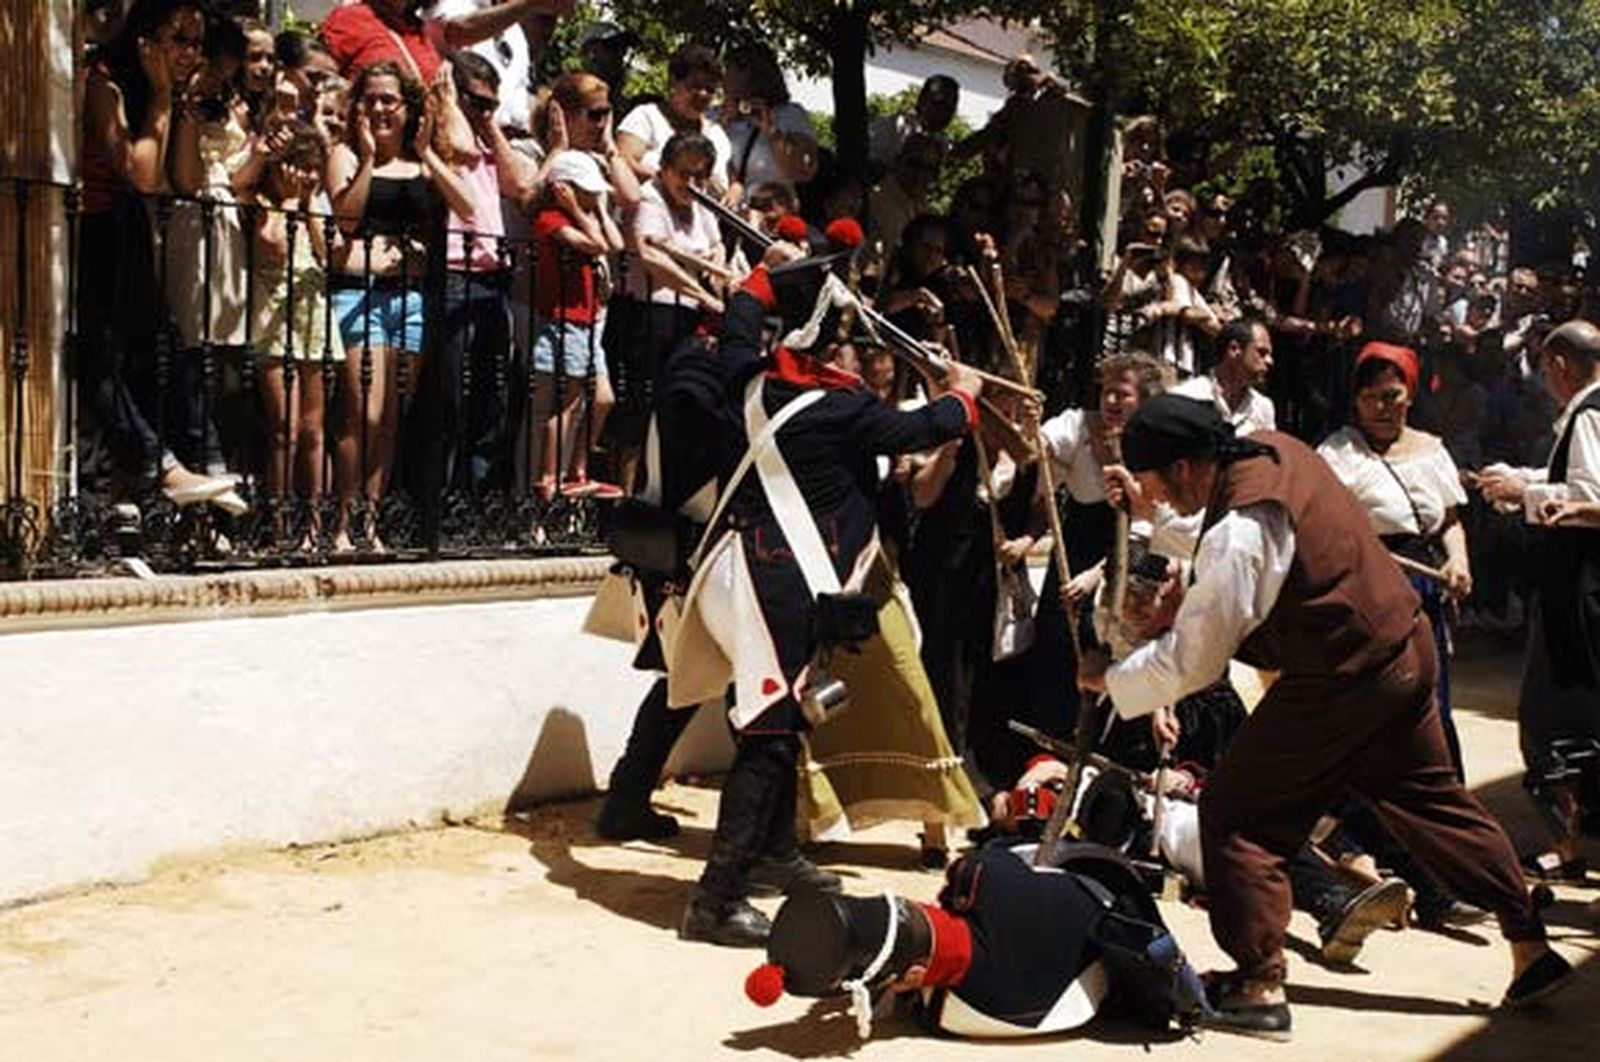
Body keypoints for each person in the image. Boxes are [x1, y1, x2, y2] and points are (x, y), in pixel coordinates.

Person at [1083, 394, 1570, 1041]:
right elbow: (1226, 550)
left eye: (1152, 481)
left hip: (1346, 676)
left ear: (1183, 466)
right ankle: (1531, 948)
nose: (1154, 496)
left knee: (1235, 809)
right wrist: (1175, 572)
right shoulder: (1273, 449)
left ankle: (1259, 985)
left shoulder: (1241, 524)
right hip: (1400, 648)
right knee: (1431, 800)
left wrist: (1112, 680)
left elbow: (1197, 658)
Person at [663, 245, 984, 947]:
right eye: (841, 336)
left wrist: (766, 276)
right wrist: (961, 389)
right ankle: (714, 901)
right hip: (773, 585)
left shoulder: (746, 372)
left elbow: (744, 314)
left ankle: (775, 854)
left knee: (783, 727)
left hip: (741, 572)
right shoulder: (843, 407)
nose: (849, 349)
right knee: (770, 738)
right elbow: (928, 428)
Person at [742, 841, 1209, 1040]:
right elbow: (1006, 864)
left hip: (1086, 969)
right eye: (905, 907)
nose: (916, 904)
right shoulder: (986, 879)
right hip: (1104, 895)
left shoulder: (950, 1017)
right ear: (914, 975)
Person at [1475, 319, 1600, 882]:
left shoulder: (1590, 411)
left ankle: (1571, 846)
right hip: (1579, 583)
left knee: (1559, 717)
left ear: (1556, 365)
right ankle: (1573, 843)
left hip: (1578, 587)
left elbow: (1590, 496)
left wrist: (1523, 492)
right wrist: (1519, 479)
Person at [616, 43, 732, 200]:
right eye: (695, 86)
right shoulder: (645, 117)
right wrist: (671, 182)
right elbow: (622, 162)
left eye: (710, 89)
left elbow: (733, 180)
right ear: (673, 82)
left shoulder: (716, 134)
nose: (703, 94)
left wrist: (734, 193)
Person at [1171, 317, 1275, 435]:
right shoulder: (1188, 397)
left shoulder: (1263, 408)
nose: (1269, 361)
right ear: (1234, 349)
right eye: (1261, 352)